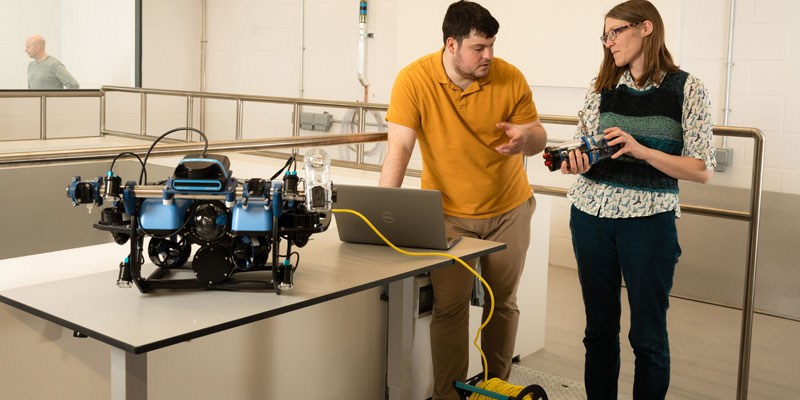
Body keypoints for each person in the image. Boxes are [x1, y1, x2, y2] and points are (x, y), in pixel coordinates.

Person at [379, 1, 547, 399]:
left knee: (502, 303)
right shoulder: (414, 79)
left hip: (509, 210)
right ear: (451, 44)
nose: (489, 55)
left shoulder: (509, 77)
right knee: (449, 306)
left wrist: (527, 140)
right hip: (448, 215)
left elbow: (538, 136)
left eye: (492, 45)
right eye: (479, 47)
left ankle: (496, 389)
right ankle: (448, 395)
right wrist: (382, 217)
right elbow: (399, 149)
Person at [560, 1, 715, 398]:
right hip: (590, 216)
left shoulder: (687, 88)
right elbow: (587, 147)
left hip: (647, 223)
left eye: (615, 32)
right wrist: (577, 161)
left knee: (648, 338)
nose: (608, 42)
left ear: (646, 28)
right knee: (598, 332)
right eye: (605, 35)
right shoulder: (602, 87)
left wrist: (641, 150)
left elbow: (701, 169)